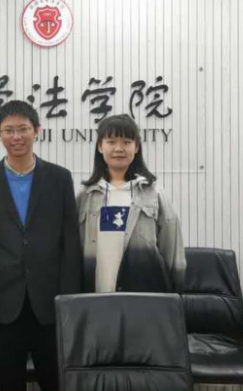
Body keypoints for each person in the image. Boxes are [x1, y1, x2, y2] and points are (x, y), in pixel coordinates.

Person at [0, 101, 81, 391]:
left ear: (37, 131)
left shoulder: (59, 179)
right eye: (9, 130)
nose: (16, 136)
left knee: (55, 387)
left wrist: (69, 300)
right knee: (9, 389)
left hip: (50, 302)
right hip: (2, 302)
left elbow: (70, 243)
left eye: (23, 129)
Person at [77, 114, 185, 293]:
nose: (119, 148)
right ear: (100, 146)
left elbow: (174, 256)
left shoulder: (154, 195)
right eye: (111, 142)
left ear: (136, 147)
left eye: (127, 142)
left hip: (143, 297)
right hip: (94, 298)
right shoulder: (85, 196)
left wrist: (175, 295)